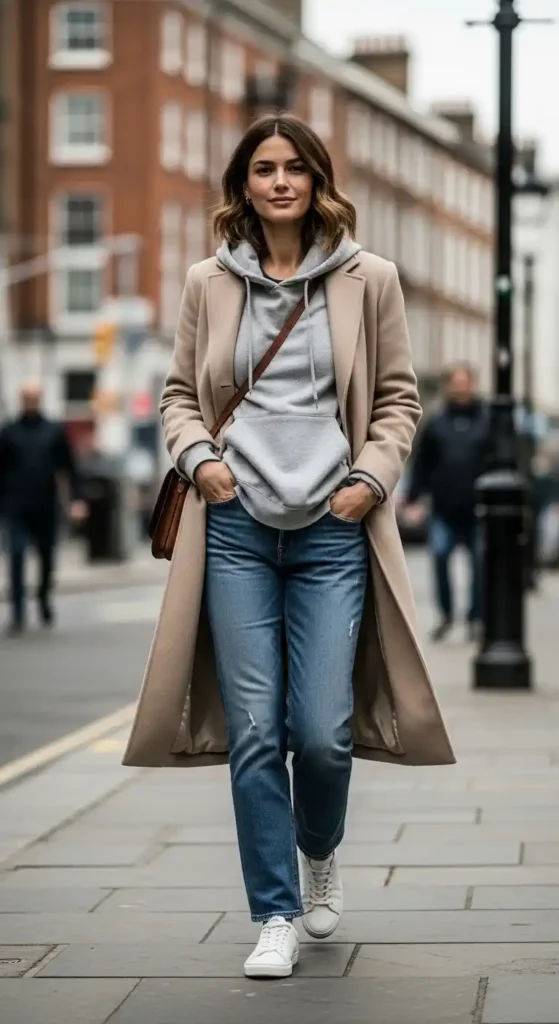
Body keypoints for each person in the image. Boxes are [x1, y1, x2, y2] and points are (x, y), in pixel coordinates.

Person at [123, 113, 454, 979]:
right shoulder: (208, 282)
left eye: (294, 168)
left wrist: (369, 480)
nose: (279, 181)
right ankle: (273, 912)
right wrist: (201, 462)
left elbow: (396, 400)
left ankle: (318, 851)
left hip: (331, 531)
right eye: (263, 168)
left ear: (317, 181)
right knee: (257, 733)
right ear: (243, 183)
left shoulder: (366, 278)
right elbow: (175, 396)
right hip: (231, 530)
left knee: (322, 731)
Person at [404, 362, 490, 642]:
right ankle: (446, 615)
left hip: (478, 508)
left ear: (472, 384)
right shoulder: (437, 423)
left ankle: (476, 618)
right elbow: (422, 464)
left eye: (464, 381)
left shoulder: (486, 421)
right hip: (443, 508)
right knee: (440, 556)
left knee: (479, 562)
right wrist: (413, 498)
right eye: (455, 382)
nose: (459, 387)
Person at [0, 383, 86, 634]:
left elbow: (70, 468)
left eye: (34, 398)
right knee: (15, 555)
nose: (30, 402)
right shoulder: (9, 432)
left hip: (46, 506)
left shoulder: (54, 432)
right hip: (16, 506)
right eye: (26, 398)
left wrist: (77, 500)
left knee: (47, 558)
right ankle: (17, 613)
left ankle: (43, 598)